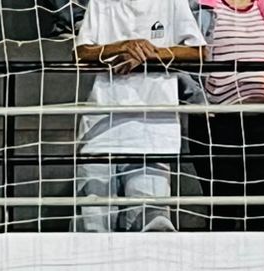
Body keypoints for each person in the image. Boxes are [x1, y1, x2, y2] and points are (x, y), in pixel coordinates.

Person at [74, 0, 206, 232]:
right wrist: (123, 46)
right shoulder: (101, 2)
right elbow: (81, 51)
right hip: (101, 130)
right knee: (93, 229)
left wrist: (149, 54)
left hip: (154, 132)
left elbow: (198, 51)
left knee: (152, 230)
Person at [184, 0, 264, 230]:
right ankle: (219, 264)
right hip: (215, 123)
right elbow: (182, 53)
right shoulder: (199, 5)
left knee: (259, 209)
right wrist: (198, 100)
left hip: (262, 120)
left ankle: (260, 265)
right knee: (222, 209)